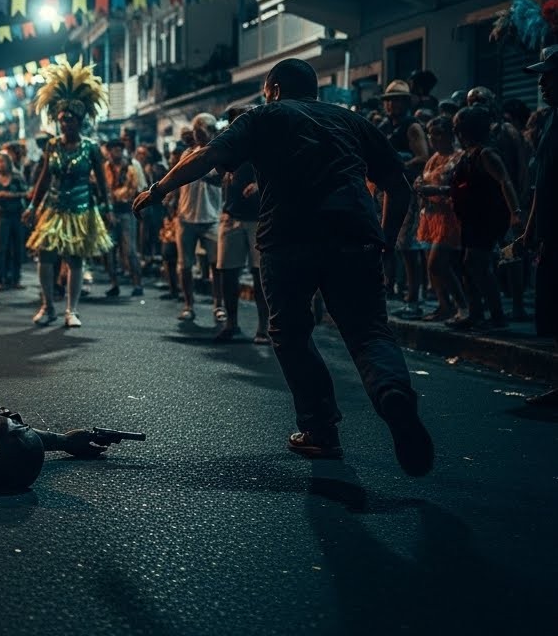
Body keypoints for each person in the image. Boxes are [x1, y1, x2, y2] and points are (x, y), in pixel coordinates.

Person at [134, 58, 434, 477]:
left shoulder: (264, 116)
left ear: (273, 88)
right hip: (354, 232)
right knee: (368, 332)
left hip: (287, 238)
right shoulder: (351, 122)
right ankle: (393, 393)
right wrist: (382, 240)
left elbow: (207, 156)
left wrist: (159, 188)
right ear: (313, 89)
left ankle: (321, 430)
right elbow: (397, 188)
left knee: (291, 333)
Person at [23, 60, 112, 328]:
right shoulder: (51, 146)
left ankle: (71, 311)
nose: (65, 124)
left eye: (70, 120)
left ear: (79, 121)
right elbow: (43, 178)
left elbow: (103, 181)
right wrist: (32, 206)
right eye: (62, 120)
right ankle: (48, 306)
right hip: (53, 208)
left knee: (75, 259)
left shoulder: (91, 148)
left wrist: (107, 208)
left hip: (82, 208)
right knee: (46, 256)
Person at [448, 105, 523, 331]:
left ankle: (496, 315)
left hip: (486, 218)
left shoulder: (486, 154)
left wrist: (516, 213)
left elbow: (505, 181)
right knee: (469, 265)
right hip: (471, 219)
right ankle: (476, 313)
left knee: (476, 263)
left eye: (459, 130)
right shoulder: (469, 154)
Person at [518, 46, 558, 406]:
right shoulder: (550, 119)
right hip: (549, 228)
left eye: (549, 75)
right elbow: (541, 180)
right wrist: (532, 228)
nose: (542, 82)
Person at [214, 105, 269, 343]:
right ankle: (231, 323)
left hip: (259, 218)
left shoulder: (266, 144)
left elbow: (278, 171)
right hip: (231, 215)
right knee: (228, 272)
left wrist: (259, 184)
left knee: (261, 275)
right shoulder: (228, 144)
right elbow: (217, 170)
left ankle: (263, 328)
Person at [381, 79, 430, 318]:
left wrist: (399, 165)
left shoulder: (412, 127)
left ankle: (414, 300)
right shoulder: (386, 126)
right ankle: (398, 294)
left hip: (408, 192)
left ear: (405, 102)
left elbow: (423, 157)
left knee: (409, 248)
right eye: (388, 100)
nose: (391, 104)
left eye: (396, 100)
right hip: (389, 192)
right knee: (394, 244)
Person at [412, 116, 467, 322]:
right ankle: (444, 306)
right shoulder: (434, 158)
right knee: (431, 266)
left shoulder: (458, 157)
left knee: (438, 264)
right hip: (431, 216)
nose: (432, 138)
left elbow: (460, 187)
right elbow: (425, 177)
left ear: (449, 135)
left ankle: (463, 305)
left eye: (437, 133)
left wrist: (437, 190)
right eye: (430, 133)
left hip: (448, 217)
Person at [172, 117, 224, 323]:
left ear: (211, 130)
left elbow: (220, 179)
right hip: (185, 217)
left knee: (216, 265)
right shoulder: (187, 153)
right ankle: (188, 305)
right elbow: (176, 179)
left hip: (211, 217)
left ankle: (218, 305)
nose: (197, 133)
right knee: (184, 265)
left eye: (200, 129)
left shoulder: (219, 153)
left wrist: (199, 172)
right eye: (195, 129)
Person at [103, 138, 146, 298]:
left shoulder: (133, 166)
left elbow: (141, 187)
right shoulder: (105, 167)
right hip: (110, 212)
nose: (116, 152)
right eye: (113, 149)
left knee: (131, 250)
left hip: (128, 211)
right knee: (109, 250)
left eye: (118, 149)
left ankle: (137, 283)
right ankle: (114, 284)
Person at [0, 150, 29, 289]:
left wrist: (10, 194)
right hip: (1, 215)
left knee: (17, 248)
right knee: (1, 249)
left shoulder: (17, 177)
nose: (1, 165)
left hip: (16, 215)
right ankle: (0, 279)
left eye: (3, 161)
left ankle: (16, 279)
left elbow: (26, 193)